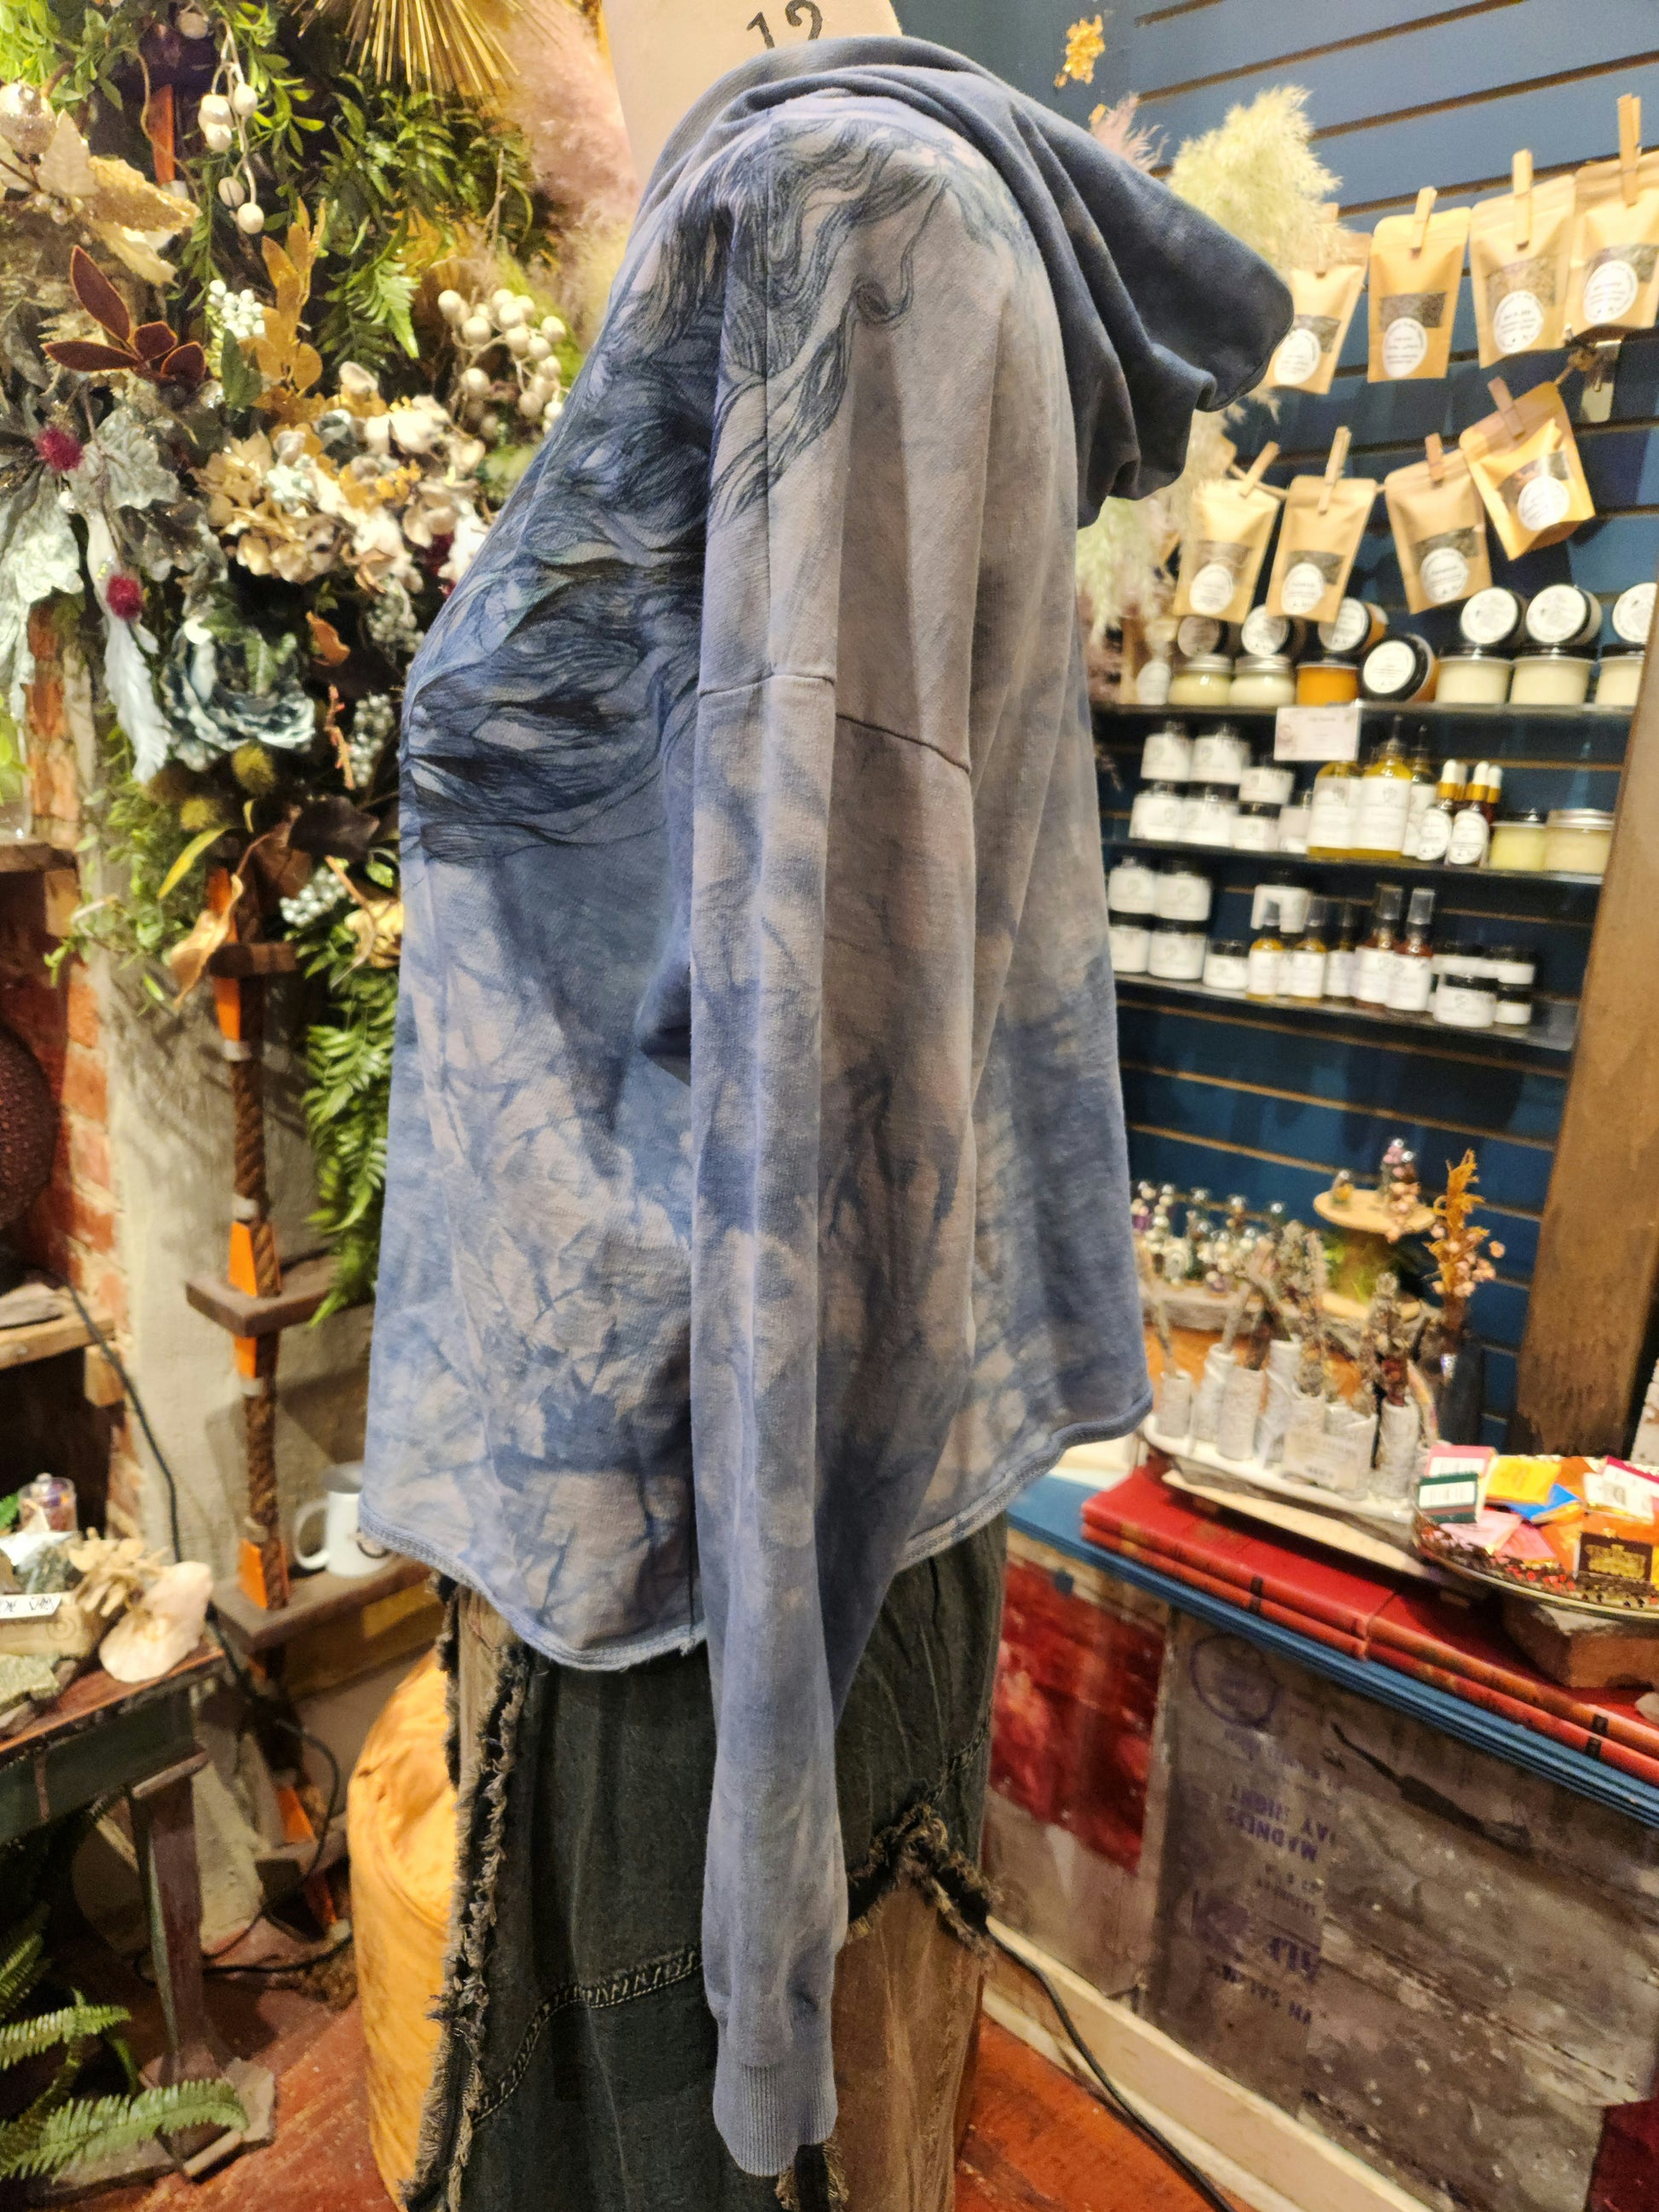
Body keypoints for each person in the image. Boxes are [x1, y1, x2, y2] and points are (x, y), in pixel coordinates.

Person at [361, 7, 1290, 2203]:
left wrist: (764, 1907)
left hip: (719, 1540)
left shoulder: (837, 218)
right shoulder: (866, 218)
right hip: (750, 1488)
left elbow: (812, 1046)